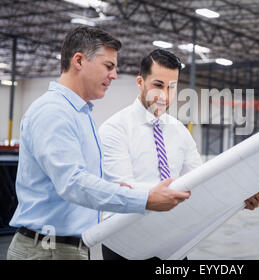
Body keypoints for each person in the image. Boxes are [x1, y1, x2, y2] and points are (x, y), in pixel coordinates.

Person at [7, 27, 190, 260]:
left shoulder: (82, 114)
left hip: (70, 247)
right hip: (47, 251)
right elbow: (73, 183)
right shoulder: (53, 112)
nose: (114, 75)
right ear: (79, 61)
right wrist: (146, 199)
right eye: (109, 66)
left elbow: (90, 181)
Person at [98, 49, 259, 260]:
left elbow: (201, 181)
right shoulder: (115, 129)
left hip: (172, 243)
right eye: (158, 85)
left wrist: (239, 196)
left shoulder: (179, 131)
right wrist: (160, 195)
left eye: (172, 87)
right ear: (140, 82)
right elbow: (120, 191)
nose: (165, 96)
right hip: (126, 245)